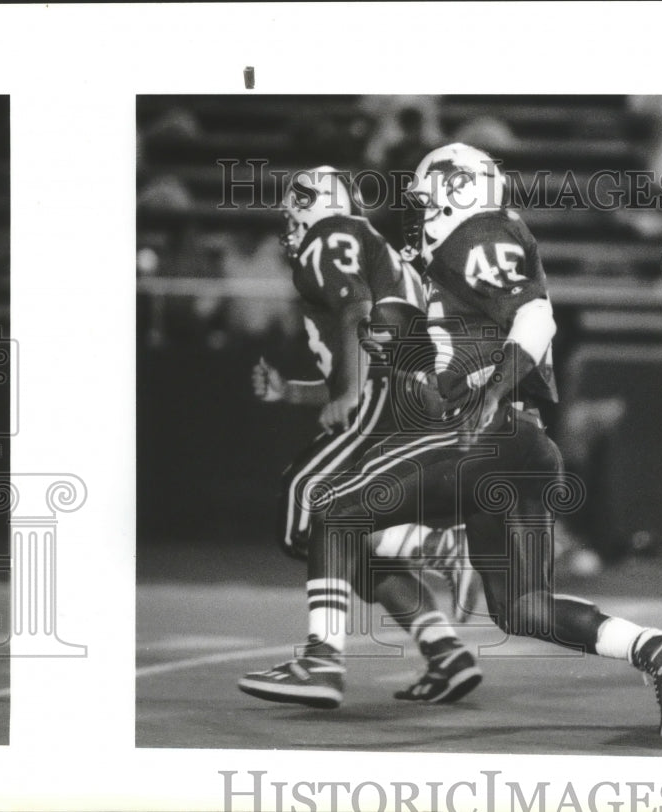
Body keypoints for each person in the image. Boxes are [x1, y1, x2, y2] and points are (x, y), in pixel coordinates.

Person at [243, 145, 662, 741]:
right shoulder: (458, 259)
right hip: (521, 444)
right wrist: (419, 363)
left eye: (426, 200)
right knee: (522, 608)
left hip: (491, 433)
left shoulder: (479, 233)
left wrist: (490, 394)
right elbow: (466, 353)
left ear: (457, 190)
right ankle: (661, 650)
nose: (417, 215)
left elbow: (535, 317)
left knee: (332, 510)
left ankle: (323, 659)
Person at [238, 167, 481, 707]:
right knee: (350, 539)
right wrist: (295, 393)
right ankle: (444, 650)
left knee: (310, 503)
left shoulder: (332, 235)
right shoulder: (374, 246)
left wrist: (348, 392)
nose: (288, 220)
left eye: (292, 207)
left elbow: (356, 310)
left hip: (383, 391)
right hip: (412, 398)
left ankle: (328, 656)